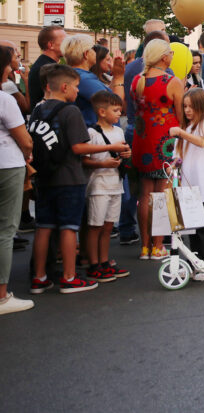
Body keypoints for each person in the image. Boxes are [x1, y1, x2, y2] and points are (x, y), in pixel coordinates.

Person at [29, 65, 129, 295]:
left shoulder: (38, 109)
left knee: (44, 227)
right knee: (68, 227)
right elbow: (78, 146)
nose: (77, 92)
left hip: (45, 176)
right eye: (75, 87)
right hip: (68, 176)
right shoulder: (70, 111)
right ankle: (70, 277)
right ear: (64, 87)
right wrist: (111, 146)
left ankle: (39, 277)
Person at [129, 40, 183, 261]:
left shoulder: (137, 81)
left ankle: (144, 246)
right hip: (165, 143)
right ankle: (158, 245)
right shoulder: (172, 82)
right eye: (170, 52)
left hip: (142, 141)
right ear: (164, 57)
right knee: (162, 194)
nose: (172, 55)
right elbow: (180, 115)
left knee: (145, 195)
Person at [170, 89, 204, 279]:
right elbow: (179, 156)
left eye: (191, 107)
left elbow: (202, 143)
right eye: (185, 106)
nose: (187, 110)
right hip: (189, 186)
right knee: (193, 226)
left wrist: (181, 133)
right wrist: (173, 165)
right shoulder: (188, 128)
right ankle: (197, 260)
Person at [82, 91, 132, 284]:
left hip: (115, 184)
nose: (119, 113)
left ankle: (104, 261)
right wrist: (103, 164)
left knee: (109, 225)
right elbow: (85, 161)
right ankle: (93, 263)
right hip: (99, 185)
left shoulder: (119, 132)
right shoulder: (92, 133)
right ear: (102, 112)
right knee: (95, 225)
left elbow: (124, 150)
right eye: (115, 110)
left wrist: (126, 155)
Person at [0, 46, 34, 314]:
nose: (13, 68)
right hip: (7, 165)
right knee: (5, 230)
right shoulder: (4, 98)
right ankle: (2, 295)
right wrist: (28, 152)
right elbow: (23, 138)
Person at [63, 34, 119, 127]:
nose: (95, 52)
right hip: (97, 135)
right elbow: (114, 105)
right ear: (86, 54)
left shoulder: (78, 75)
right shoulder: (84, 79)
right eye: (93, 49)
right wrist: (119, 77)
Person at [27, 25, 66, 109]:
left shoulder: (45, 64)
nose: (67, 45)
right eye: (64, 42)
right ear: (50, 45)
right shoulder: (47, 68)